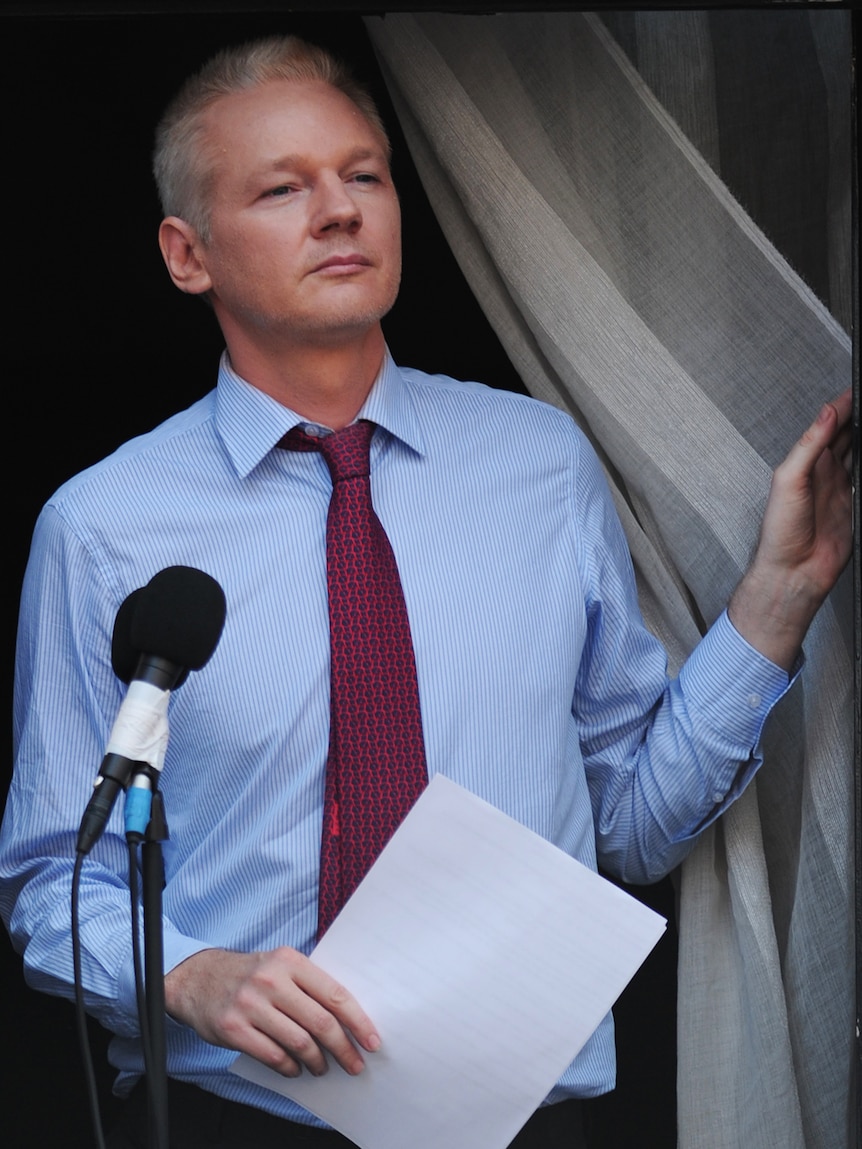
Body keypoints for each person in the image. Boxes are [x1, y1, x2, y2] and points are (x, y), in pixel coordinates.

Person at [0, 33, 853, 1149]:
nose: (341, 210)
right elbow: (52, 884)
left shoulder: (542, 465)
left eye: (363, 174)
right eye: (282, 188)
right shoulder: (102, 528)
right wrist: (195, 976)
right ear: (187, 253)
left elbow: (627, 830)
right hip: (242, 1119)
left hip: (527, 1123)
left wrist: (779, 598)